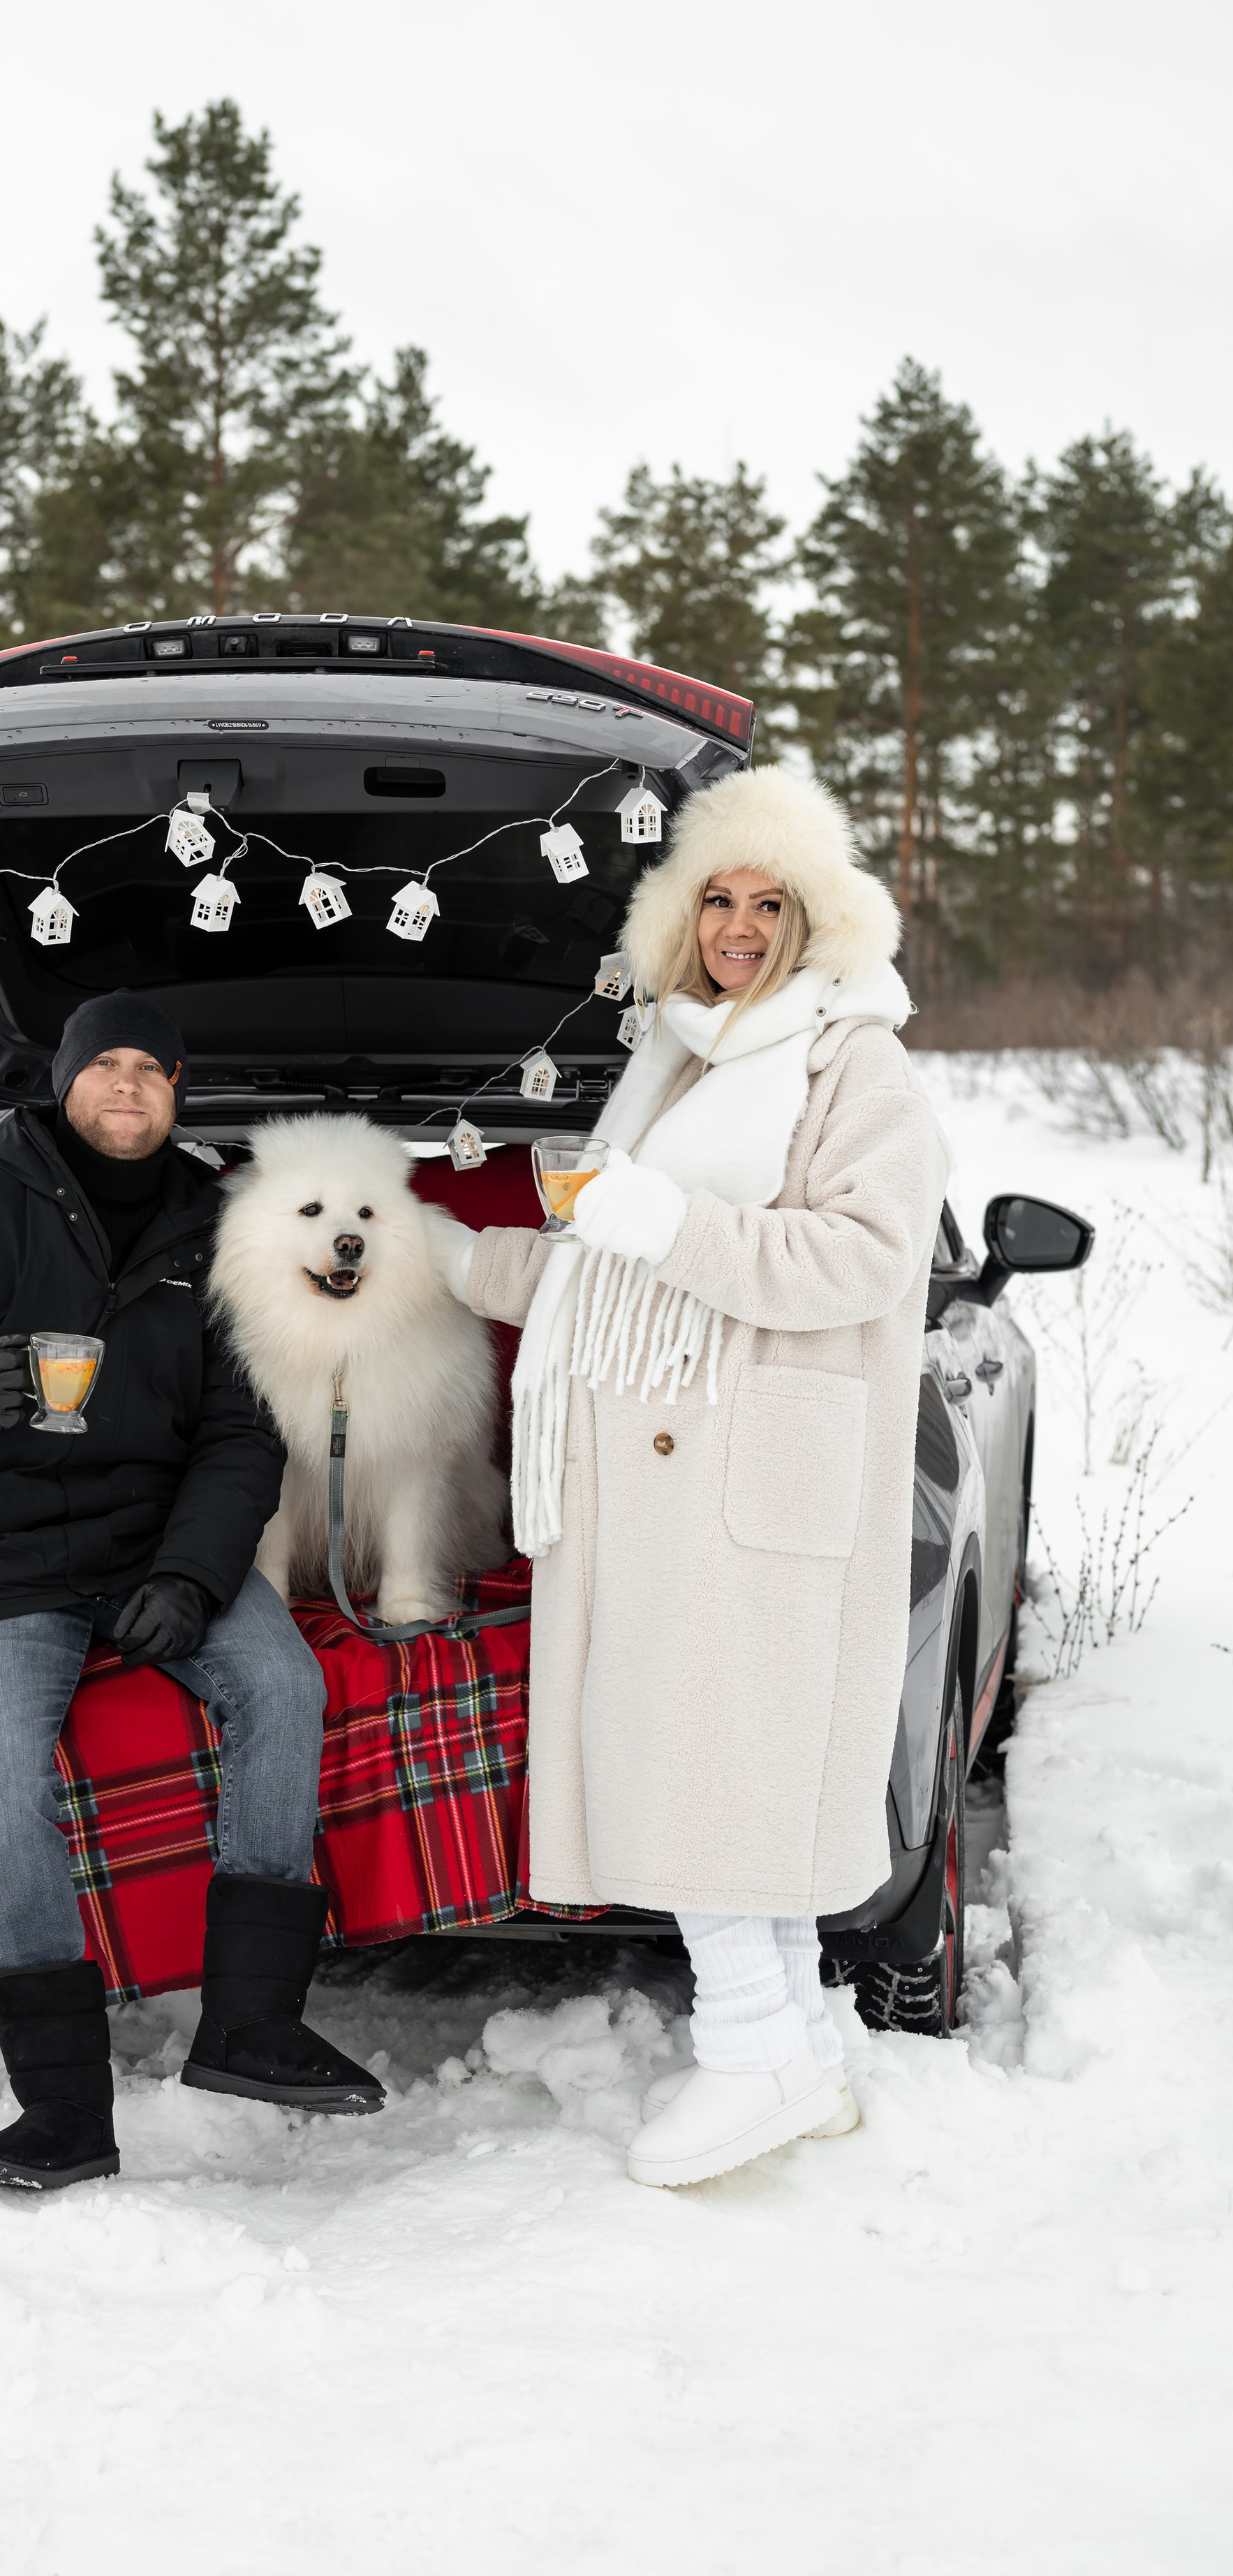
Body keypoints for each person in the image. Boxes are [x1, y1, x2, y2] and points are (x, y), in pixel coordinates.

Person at [427, 768, 948, 2188]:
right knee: (713, 1764)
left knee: (723, 1769)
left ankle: (748, 2052)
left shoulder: (854, 1062)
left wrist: (665, 1217)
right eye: (714, 896)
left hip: (752, 1480)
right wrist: (451, 1259)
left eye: (767, 900)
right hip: (655, 1481)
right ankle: (798, 2055)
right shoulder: (679, 1053)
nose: (737, 924)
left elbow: (860, 1257)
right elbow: (610, 1268)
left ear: (814, 917)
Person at [0, 990, 383, 2193]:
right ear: (65, 1081)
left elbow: (243, 1435)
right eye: (104, 1066)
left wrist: (191, 1577)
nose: (126, 1086)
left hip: (154, 1542)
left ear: (176, 1090)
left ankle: (250, 2025)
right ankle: (64, 2106)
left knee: (284, 1684)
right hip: (1, 1552)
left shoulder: (215, 1227)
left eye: (150, 1068)